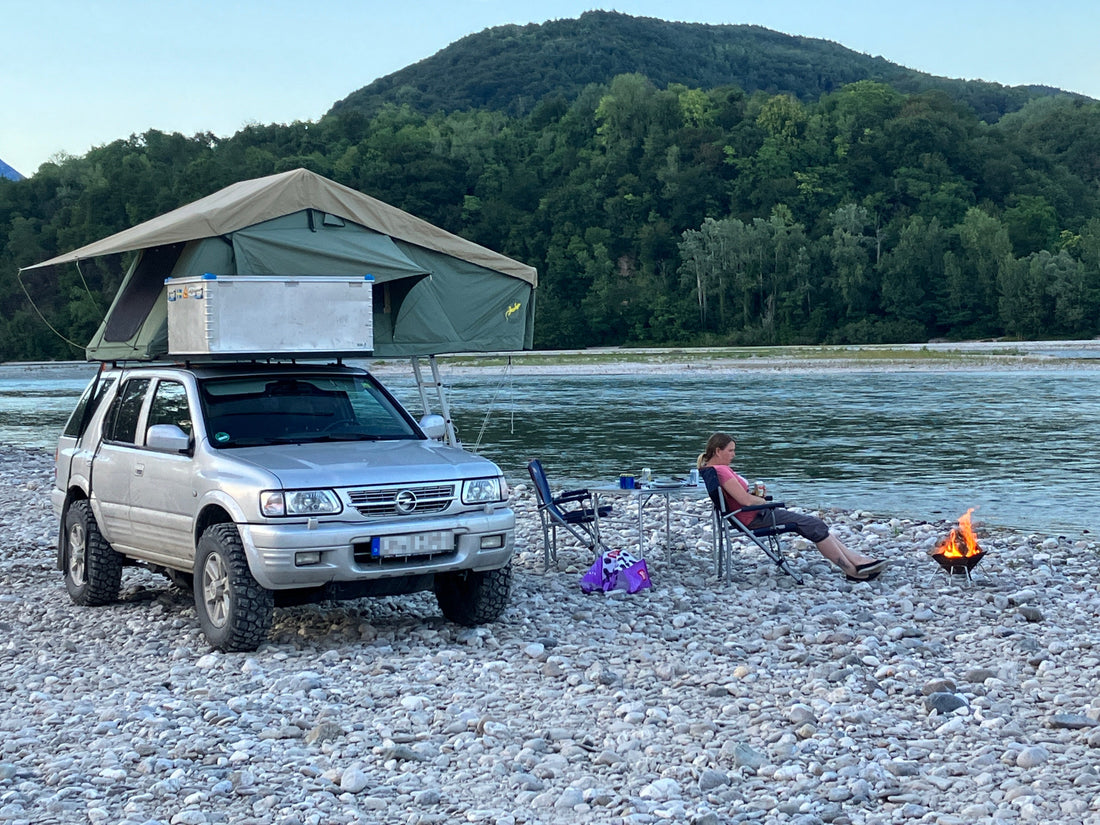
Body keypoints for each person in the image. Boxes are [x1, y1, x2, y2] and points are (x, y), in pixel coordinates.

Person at [698, 432, 887, 581]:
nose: (733, 455)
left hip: (750, 516)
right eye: (730, 451)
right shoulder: (721, 470)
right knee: (813, 525)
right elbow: (745, 501)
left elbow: (737, 498)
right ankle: (853, 571)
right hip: (754, 518)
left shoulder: (711, 470)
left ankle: (857, 561)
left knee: (814, 524)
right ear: (717, 451)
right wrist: (763, 501)